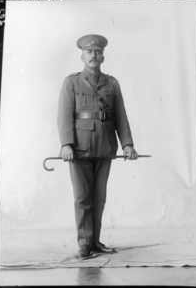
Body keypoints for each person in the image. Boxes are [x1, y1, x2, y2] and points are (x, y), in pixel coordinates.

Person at [57, 34, 138, 258]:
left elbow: (120, 116)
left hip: (105, 146)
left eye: (97, 52)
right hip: (79, 148)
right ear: (81, 56)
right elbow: (64, 116)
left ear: (103, 56)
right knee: (82, 197)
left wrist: (128, 144)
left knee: (99, 198)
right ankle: (84, 243)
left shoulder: (112, 83)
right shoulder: (71, 82)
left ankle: (94, 241)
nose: (93, 55)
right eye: (89, 52)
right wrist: (66, 144)